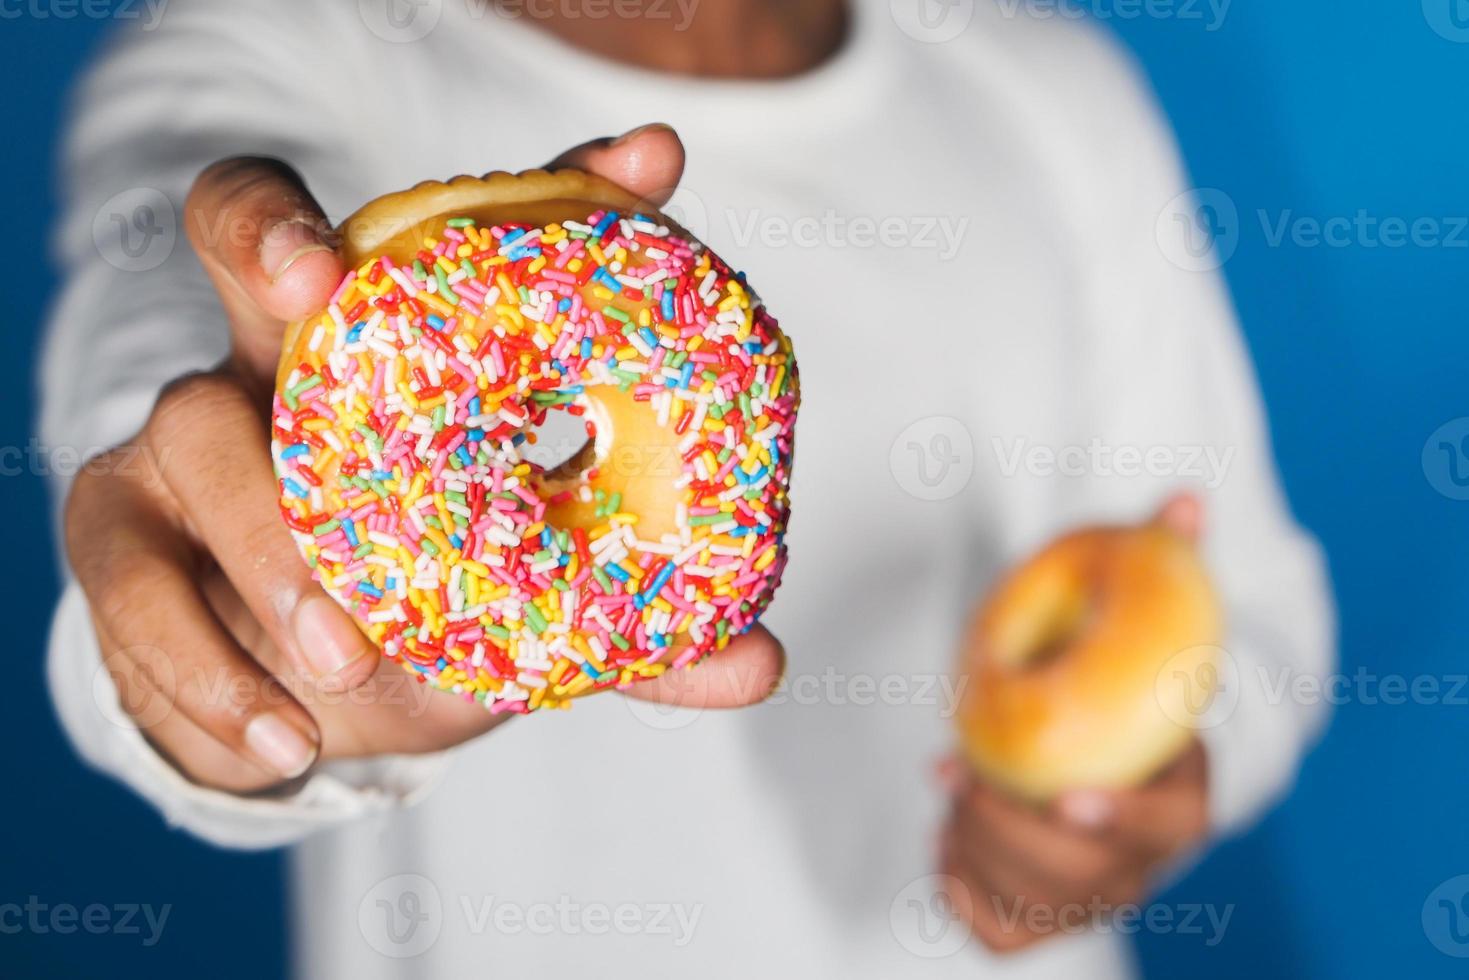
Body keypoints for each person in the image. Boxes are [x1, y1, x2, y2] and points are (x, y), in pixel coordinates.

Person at [42, 0, 1334, 976]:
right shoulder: (260, 56)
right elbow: (151, 436)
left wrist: (1148, 786)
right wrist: (208, 647)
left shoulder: (1044, 89)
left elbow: (1250, 603)